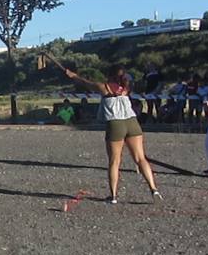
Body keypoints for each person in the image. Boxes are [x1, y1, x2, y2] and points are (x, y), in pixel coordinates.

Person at [60, 63, 160, 204]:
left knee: (114, 161)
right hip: (132, 122)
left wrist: (73, 75)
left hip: (116, 124)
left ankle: (113, 196)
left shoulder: (104, 87)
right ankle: (154, 189)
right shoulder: (126, 87)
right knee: (140, 159)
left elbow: (85, 83)